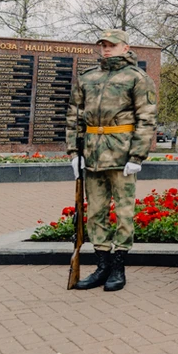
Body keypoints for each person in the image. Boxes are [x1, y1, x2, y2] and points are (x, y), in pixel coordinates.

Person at [67, 29, 157, 291]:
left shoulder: (137, 78)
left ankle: (118, 266)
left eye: (112, 45)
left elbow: (146, 118)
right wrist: (74, 152)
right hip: (92, 153)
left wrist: (137, 155)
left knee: (123, 211)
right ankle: (102, 265)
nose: (106, 49)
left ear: (125, 47)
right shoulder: (87, 77)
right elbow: (74, 115)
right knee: (95, 211)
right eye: (103, 45)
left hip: (121, 153)